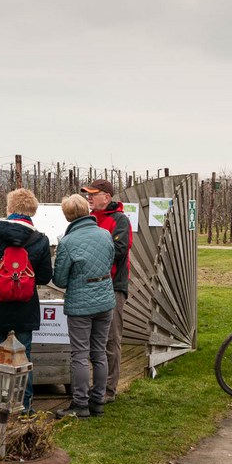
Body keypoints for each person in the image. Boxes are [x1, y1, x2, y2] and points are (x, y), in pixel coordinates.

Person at [0, 188, 53, 413]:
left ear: (9, 209)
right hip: (24, 309)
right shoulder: (40, 240)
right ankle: (24, 405)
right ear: (32, 212)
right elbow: (45, 277)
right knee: (23, 357)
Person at [52, 194, 115, 419]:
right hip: (105, 300)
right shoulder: (105, 234)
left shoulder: (68, 242)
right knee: (99, 352)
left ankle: (80, 404)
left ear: (68, 215)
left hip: (80, 304)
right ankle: (98, 400)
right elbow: (109, 262)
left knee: (79, 354)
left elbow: (59, 280)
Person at [80, 178, 132, 403]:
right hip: (89, 286)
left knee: (111, 339)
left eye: (93, 194)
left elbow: (119, 249)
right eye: (87, 194)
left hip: (112, 287)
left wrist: (89, 254)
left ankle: (108, 390)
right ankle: (93, 385)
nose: (89, 198)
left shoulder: (120, 220)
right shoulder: (89, 219)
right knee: (89, 339)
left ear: (107, 197)